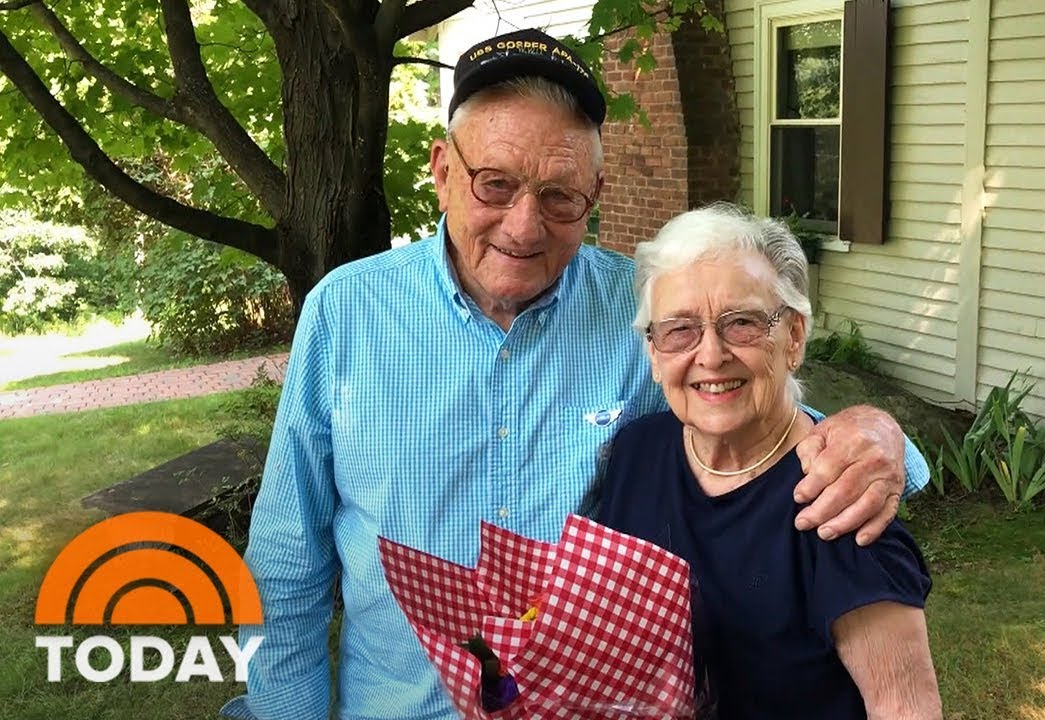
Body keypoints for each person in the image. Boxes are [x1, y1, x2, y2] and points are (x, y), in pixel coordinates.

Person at [223, 29, 930, 720]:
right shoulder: (348, 311)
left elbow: (755, 411)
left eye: (560, 196)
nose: (524, 226)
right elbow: (288, 561)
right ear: (441, 171)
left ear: (595, 193)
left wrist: (876, 432)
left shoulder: (648, 314)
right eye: (494, 184)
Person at [595, 204, 942, 720]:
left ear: (794, 337)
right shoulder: (635, 455)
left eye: (742, 324)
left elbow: (904, 707)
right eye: (679, 330)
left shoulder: (839, 499)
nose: (710, 355)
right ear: (652, 352)